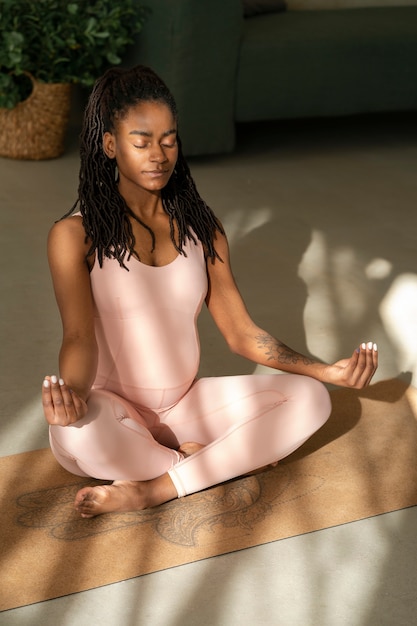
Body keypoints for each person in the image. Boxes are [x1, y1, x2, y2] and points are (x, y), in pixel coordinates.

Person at [42, 65, 378, 519]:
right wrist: (74, 398)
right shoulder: (74, 235)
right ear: (109, 145)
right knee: (77, 434)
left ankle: (154, 487)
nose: (159, 154)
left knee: (310, 399)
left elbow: (241, 333)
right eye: (141, 142)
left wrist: (326, 372)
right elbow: (79, 336)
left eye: (169, 139)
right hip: (110, 411)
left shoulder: (202, 229)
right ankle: (209, 463)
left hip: (184, 406)